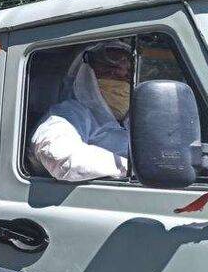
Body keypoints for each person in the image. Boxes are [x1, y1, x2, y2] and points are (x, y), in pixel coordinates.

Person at [28, 40, 134, 182]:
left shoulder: (133, 120)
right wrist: (131, 168)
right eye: (110, 72)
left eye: (127, 76)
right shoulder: (69, 114)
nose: (122, 84)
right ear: (86, 76)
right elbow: (61, 158)